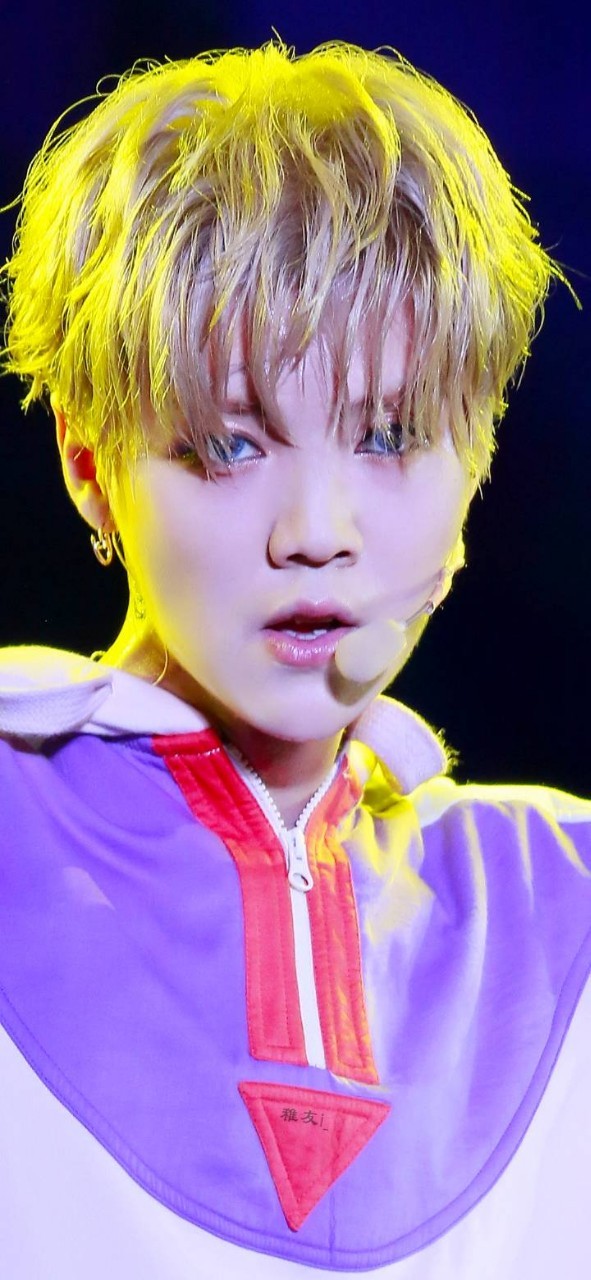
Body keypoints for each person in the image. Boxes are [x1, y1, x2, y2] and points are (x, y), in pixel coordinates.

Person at [0, 39, 589, 1279]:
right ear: (90, 462)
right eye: (229, 444)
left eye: (390, 435)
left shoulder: (560, 896)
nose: (317, 530)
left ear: (477, 463)